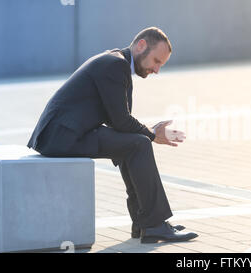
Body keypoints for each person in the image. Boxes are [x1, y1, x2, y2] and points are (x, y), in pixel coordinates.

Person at [27, 26, 198, 244]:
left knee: (134, 143)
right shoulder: (115, 64)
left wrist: (149, 132)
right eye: (156, 61)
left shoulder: (117, 63)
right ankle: (153, 224)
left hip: (65, 134)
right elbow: (121, 121)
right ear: (141, 45)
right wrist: (153, 134)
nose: (157, 70)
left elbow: (120, 121)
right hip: (61, 137)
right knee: (139, 144)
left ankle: (144, 221)